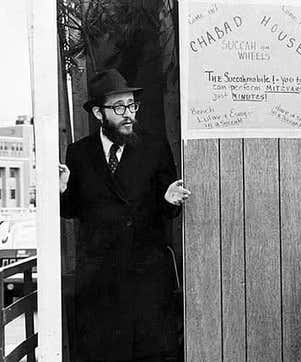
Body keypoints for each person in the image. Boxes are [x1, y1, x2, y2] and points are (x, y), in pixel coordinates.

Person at [58, 69, 191, 361]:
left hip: (146, 280)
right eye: (119, 107)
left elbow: (168, 209)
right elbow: (72, 211)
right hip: (99, 282)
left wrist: (169, 201)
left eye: (132, 105)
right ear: (97, 112)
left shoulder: (154, 147)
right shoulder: (78, 154)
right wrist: (63, 189)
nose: (128, 114)